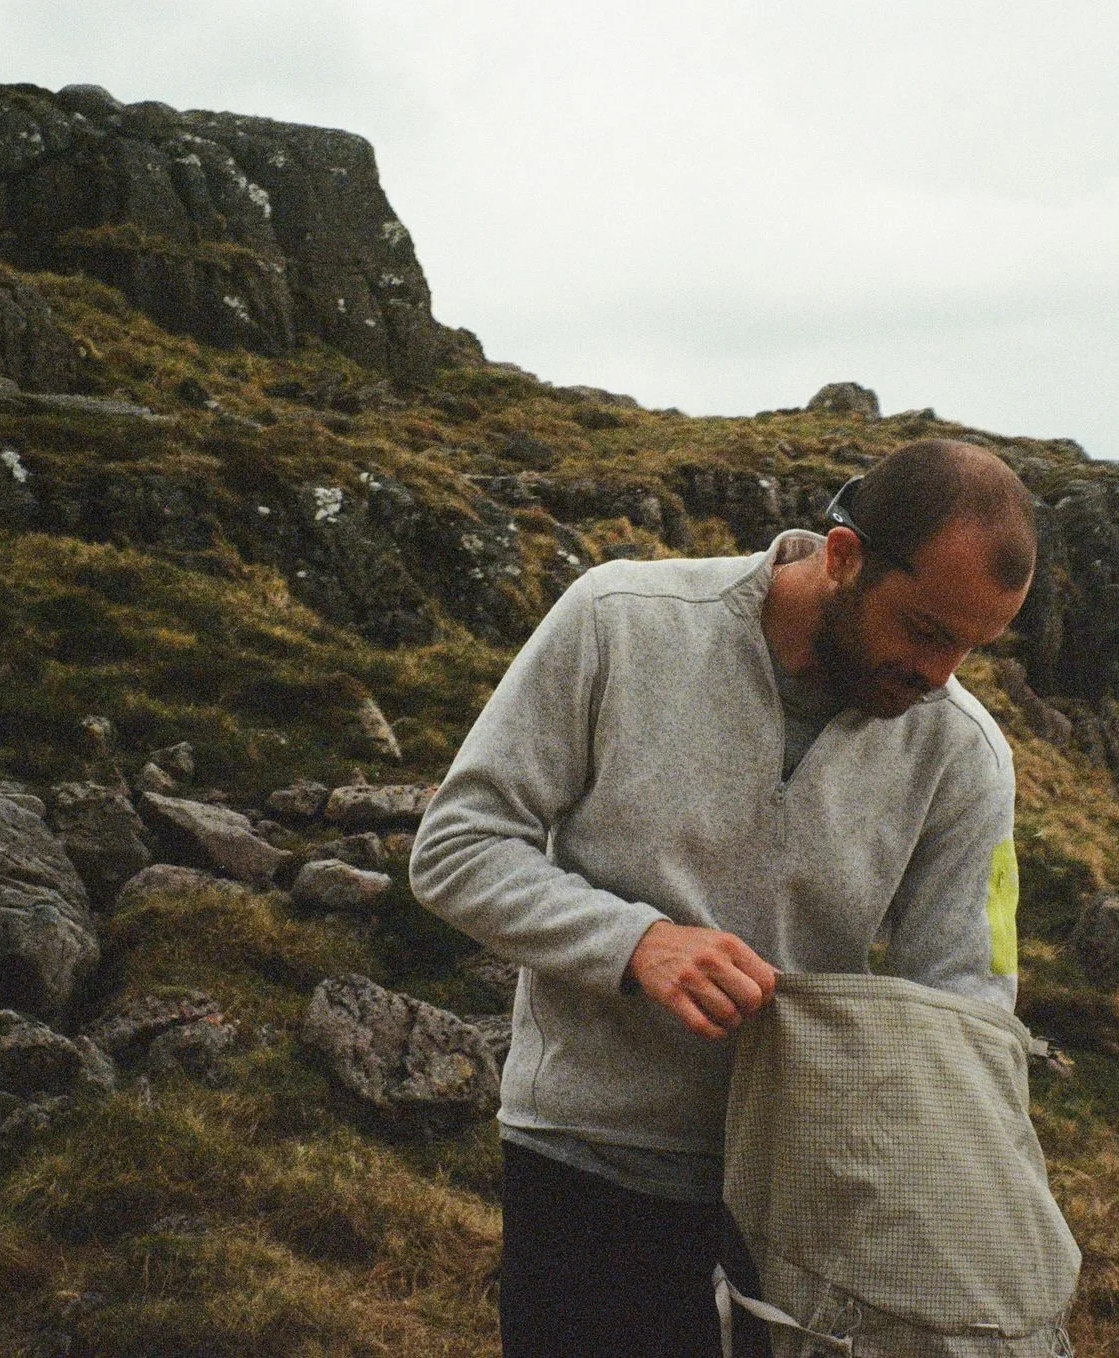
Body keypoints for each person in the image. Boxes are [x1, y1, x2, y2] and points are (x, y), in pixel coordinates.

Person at [409, 438, 1038, 1358]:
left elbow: (970, 1007)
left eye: (971, 648)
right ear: (844, 556)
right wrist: (637, 945)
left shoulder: (966, 756)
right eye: (926, 630)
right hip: (587, 1156)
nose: (940, 673)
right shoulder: (619, 621)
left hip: (806, 1206)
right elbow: (458, 847)